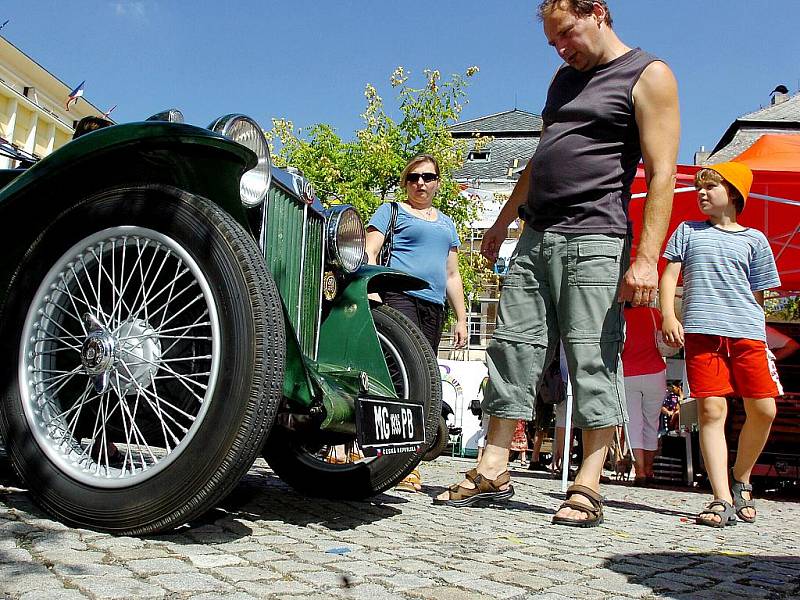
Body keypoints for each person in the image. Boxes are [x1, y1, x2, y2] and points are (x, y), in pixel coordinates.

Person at [434, 0, 680, 527]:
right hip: (536, 235)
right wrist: (502, 222)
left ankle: (589, 480)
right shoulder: (563, 80)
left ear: (598, 12)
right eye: (553, 42)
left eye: (567, 34)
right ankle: (493, 463)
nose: (562, 48)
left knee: (592, 354)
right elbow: (543, 153)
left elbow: (661, 174)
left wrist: (644, 260)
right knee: (511, 349)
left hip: (597, 237)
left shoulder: (648, 75)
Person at [660, 161, 781, 527]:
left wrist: (758, 332)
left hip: (747, 334)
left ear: (733, 193)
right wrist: (669, 315)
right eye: (700, 187)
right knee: (712, 412)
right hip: (701, 333)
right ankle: (720, 497)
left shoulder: (755, 240)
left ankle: (741, 479)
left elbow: (759, 296)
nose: (701, 193)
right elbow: (669, 275)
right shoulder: (687, 231)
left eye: (710, 187)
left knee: (765, 410)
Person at [366, 153, 468, 491]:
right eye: (414, 177)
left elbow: (452, 274)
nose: (421, 183)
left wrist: (462, 318)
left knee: (424, 377)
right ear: (406, 182)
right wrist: (371, 292)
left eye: (427, 177)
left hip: (433, 306)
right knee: (402, 376)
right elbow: (369, 251)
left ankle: (407, 459)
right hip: (398, 297)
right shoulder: (391, 211)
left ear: (438, 182)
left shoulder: (447, 224)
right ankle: (399, 462)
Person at [621, 303, 667, 486]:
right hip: (655, 373)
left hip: (628, 373)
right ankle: (649, 468)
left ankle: (639, 469)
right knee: (651, 422)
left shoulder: (620, 316)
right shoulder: (655, 313)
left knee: (633, 424)